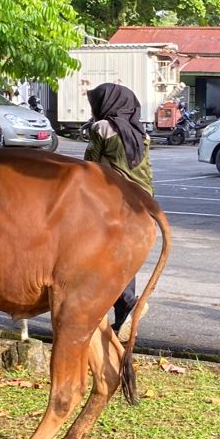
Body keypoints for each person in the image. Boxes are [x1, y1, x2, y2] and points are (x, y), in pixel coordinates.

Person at [84, 82, 153, 329]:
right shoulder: (141, 132)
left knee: (97, 254)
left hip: (113, 200)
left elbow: (89, 165)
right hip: (143, 202)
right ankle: (124, 311)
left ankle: (124, 304)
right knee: (125, 256)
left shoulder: (102, 127)